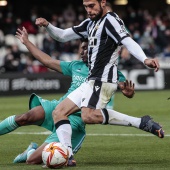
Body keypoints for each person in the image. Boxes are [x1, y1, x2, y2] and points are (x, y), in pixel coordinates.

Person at [35, 0, 164, 162]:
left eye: (92, 6)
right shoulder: (90, 23)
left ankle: (140, 122)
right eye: (85, 6)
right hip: (91, 80)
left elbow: (127, 41)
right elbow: (62, 36)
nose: (88, 10)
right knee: (59, 112)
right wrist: (48, 25)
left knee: (88, 116)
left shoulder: (111, 20)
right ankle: (68, 154)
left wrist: (145, 59)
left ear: (103, 2)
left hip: (104, 79)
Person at [0, 28, 134, 166]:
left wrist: (129, 93)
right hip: (57, 107)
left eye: (86, 48)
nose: (81, 52)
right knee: (24, 117)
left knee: (31, 160)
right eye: (81, 48)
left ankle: (30, 151)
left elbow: (126, 90)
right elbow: (47, 61)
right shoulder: (76, 65)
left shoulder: (111, 72)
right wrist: (27, 42)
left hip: (75, 121)